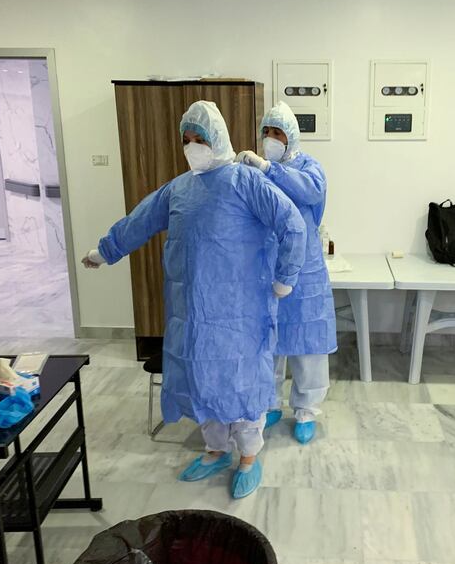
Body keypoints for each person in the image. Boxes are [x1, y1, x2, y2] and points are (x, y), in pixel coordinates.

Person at [82, 101, 306, 498]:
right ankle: (215, 448)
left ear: (217, 139)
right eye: (186, 140)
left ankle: (249, 456)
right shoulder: (179, 188)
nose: (192, 147)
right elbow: (140, 220)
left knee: (240, 381)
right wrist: (106, 251)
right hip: (191, 310)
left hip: (239, 310)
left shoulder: (245, 181)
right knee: (202, 380)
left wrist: (284, 278)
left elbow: (292, 224)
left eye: (200, 139)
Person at [236, 101, 336, 445]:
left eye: (277, 133)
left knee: (308, 344)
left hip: (305, 272)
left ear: (291, 137)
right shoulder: (255, 171)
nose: (270, 139)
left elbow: (311, 191)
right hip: (266, 268)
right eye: (266, 133)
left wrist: (268, 169)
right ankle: (269, 402)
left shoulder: (309, 167)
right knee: (269, 342)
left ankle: (307, 410)